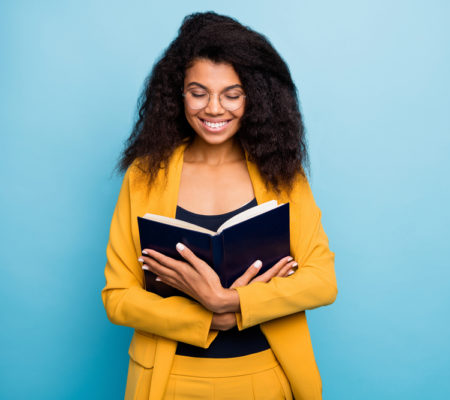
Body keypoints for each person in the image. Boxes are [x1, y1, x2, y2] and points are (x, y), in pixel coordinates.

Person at [101, 12, 337, 400]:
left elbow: (322, 281)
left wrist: (233, 301)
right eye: (198, 92)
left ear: (253, 98)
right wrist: (210, 315)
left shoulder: (283, 174)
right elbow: (118, 296)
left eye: (231, 94)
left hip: (266, 378)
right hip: (169, 381)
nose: (213, 108)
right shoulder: (144, 176)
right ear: (178, 94)